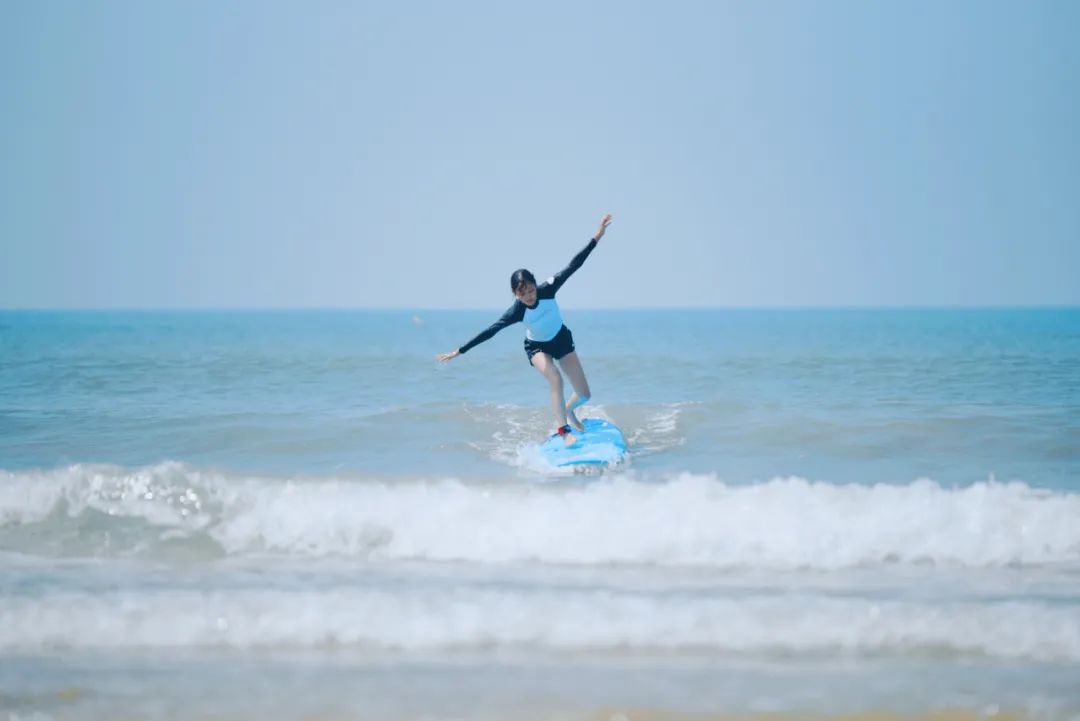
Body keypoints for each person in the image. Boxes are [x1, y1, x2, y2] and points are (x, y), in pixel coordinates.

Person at [436, 214, 613, 445]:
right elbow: (491, 331)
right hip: (537, 346)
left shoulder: (549, 289)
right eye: (522, 293)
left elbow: (574, 264)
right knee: (555, 379)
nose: (529, 296)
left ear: (534, 285)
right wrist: (461, 350)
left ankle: (569, 409)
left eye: (530, 290)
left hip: (561, 339)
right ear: (516, 294)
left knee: (585, 394)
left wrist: (596, 237)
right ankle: (564, 431)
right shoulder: (517, 311)